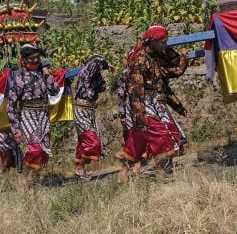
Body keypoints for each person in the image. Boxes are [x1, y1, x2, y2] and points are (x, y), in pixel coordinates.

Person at [116, 24, 189, 182]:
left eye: (166, 42)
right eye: (162, 42)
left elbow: (173, 68)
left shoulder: (155, 57)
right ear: (151, 41)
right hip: (142, 103)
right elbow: (135, 90)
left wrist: (183, 56)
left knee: (139, 141)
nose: (165, 45)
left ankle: (124, 168)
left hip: (153, 102)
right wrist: (140, 115)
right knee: (161, 135)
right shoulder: (140, 60)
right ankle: (162, 172)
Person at [8, 43, 60, 175]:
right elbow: (11, 105)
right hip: (27, 115)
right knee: (35, 149)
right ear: (24, 60)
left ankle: (34, 182)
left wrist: (47, 73)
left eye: (38, 58)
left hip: (43, 115)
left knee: (44, 150)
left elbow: (54, 91)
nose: (36, 61)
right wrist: (16, 130)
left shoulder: (43, 73)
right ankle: (25, 175)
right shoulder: (19, 76)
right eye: (32, 59)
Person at [73, 55, 113, 179]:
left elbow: (103, 87)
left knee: (84, 141)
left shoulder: (95, 76)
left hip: (90, 110)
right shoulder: (85, 71)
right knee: (92, 142)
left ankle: (79, 169)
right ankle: (80, 167)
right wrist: (106, 63)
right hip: (81, 109)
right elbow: (95, 62)